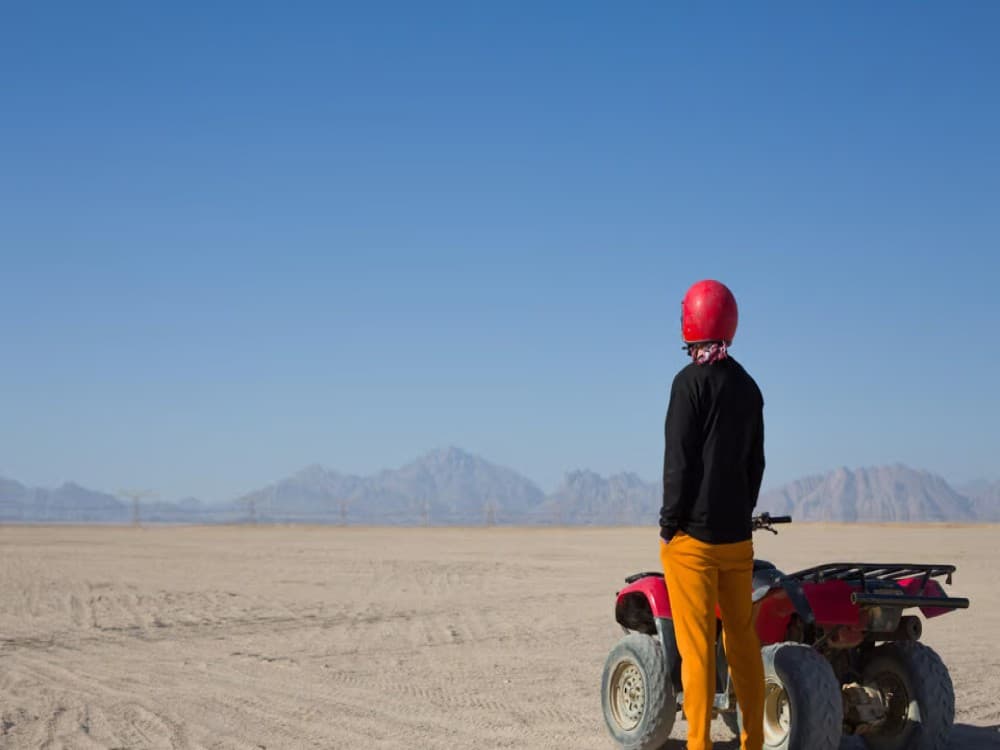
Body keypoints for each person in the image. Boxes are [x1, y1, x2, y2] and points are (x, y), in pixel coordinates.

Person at [659, 279, 766, 750]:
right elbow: (755, 463)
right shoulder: (748, 387)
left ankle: (699, 744)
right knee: (742, 641)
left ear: (691, 322)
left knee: (697, 648)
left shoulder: (688, 385)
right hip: (736, 539)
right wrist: (740, 513)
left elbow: (678, 463)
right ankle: (753, 742)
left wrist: (668, 526)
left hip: (693, 543)